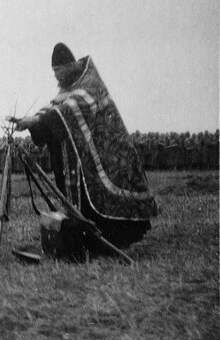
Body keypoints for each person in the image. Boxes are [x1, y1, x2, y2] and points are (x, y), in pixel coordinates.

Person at [11, 43, 158, 252]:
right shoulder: (67, 89)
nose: (57, 78)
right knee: (81, 202)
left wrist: (35, 121)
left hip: (105, 156)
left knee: (104, 202)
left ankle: (112, 241)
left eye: (59, 71)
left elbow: (71, 109)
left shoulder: (89, 84)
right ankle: (86, 239)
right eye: (54, 73)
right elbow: (54, 107)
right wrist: (32, 120)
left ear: (70, 65)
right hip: (78, 158)